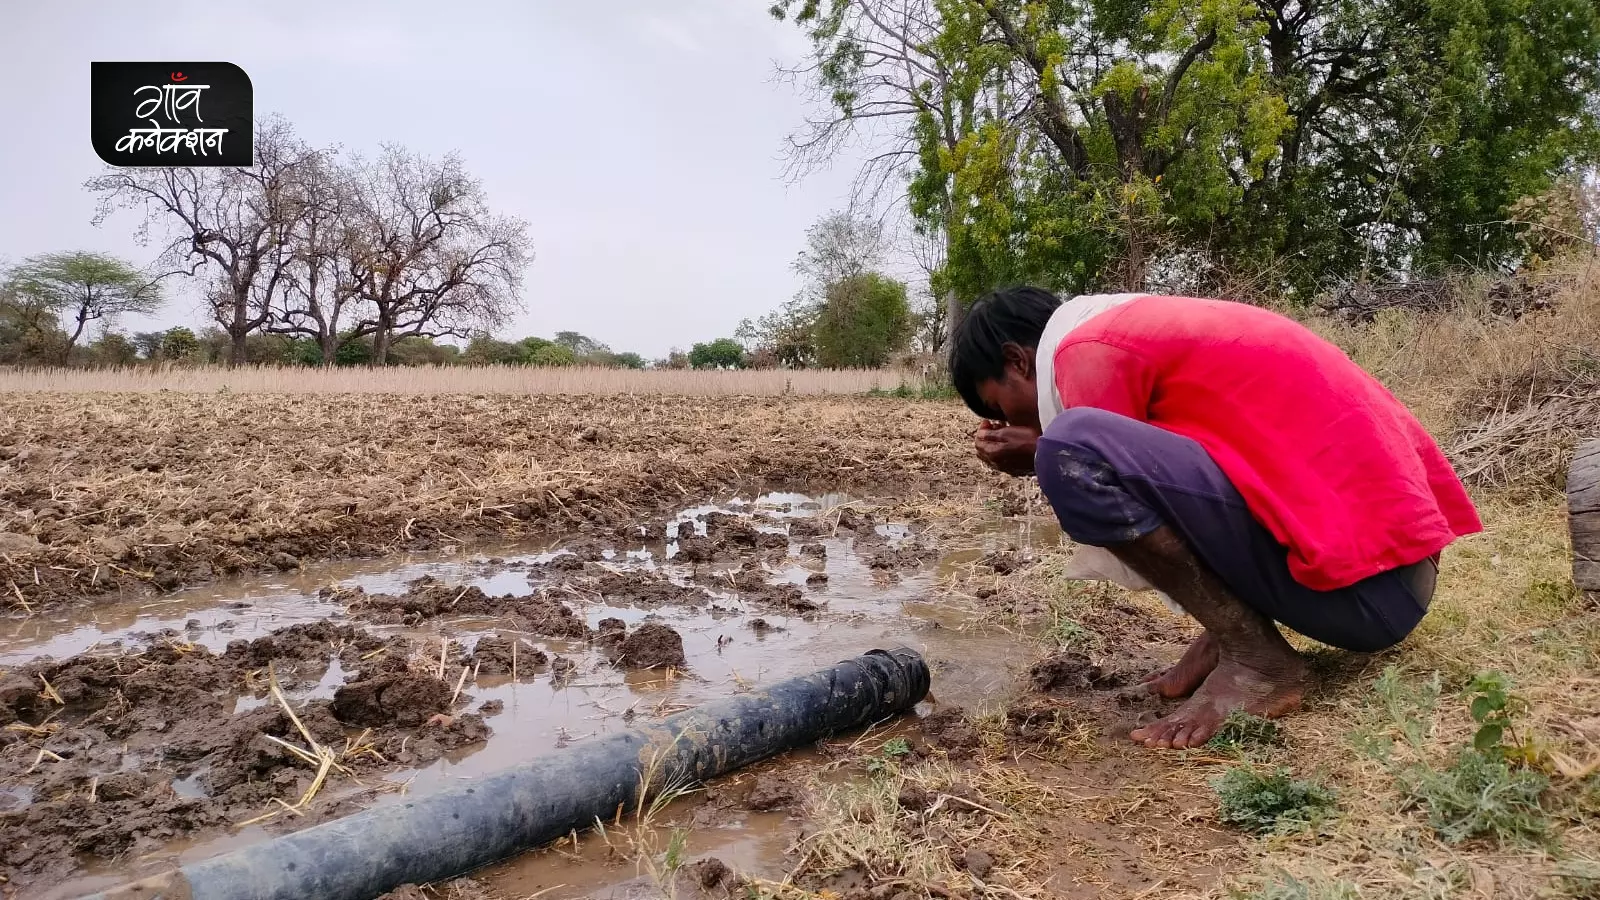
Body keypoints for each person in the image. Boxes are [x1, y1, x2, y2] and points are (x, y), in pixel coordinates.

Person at [948, 287, 1482, 749]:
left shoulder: (1088, 350)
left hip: (1369, 595)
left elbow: (1100, 473)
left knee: (1071, 448)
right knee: (1077, 445)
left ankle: (1257, 660)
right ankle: (1228, 637)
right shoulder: (1136, 325)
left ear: (1019, 361)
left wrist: (1042, 448)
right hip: (1395, 575)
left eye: (1003, 406)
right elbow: (1189, 485)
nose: (1013, 421)